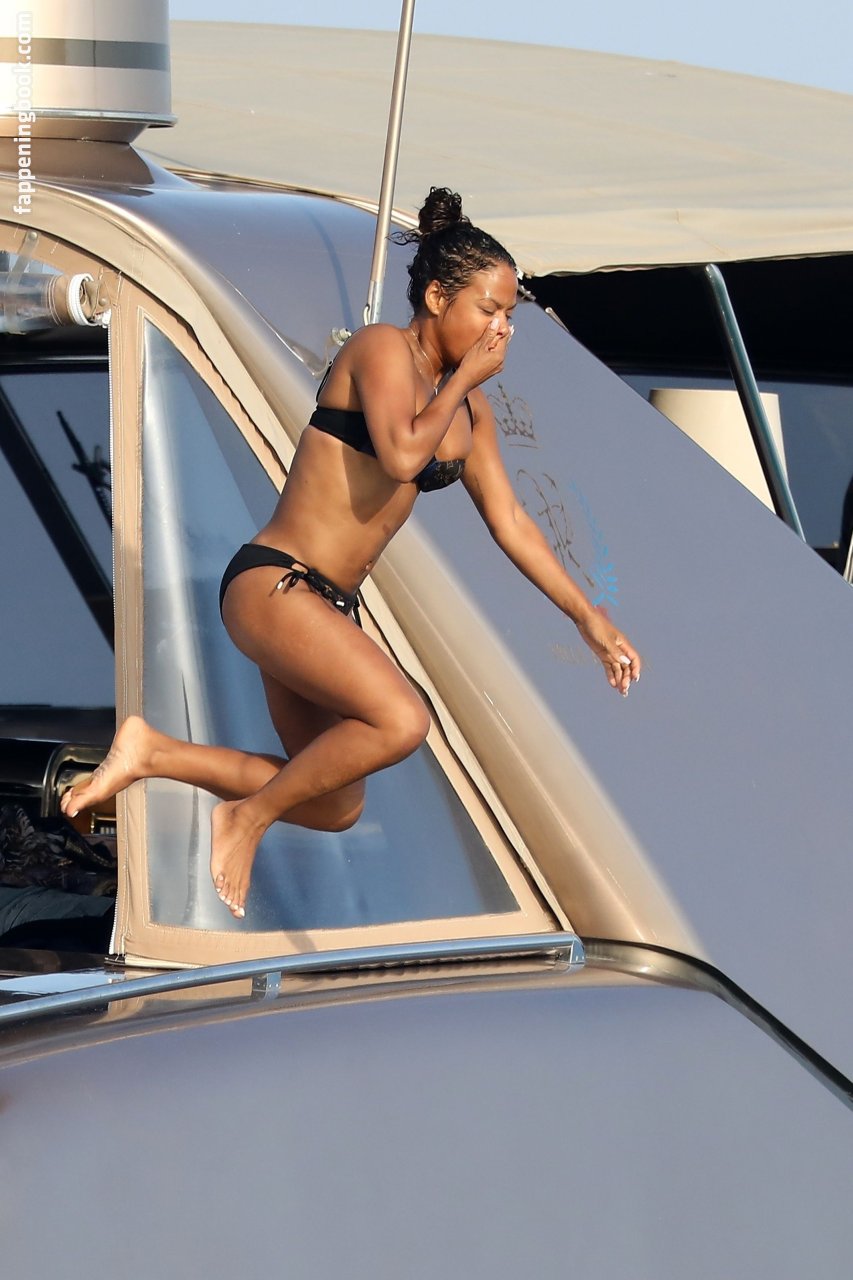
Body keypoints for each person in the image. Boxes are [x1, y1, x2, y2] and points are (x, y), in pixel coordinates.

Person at [62, 187, 642, 921]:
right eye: (488, 310)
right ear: (437, 297)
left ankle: (152, 754)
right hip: (275, 586)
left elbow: (512, 523)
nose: (502, 329)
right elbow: (401, 454)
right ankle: (243, 818)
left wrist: (588, 618)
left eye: (509, 315)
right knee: (402, 720)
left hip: (327, 606)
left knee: (333, 804)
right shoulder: (380, 350)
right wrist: (465, 378)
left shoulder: (471, 411)